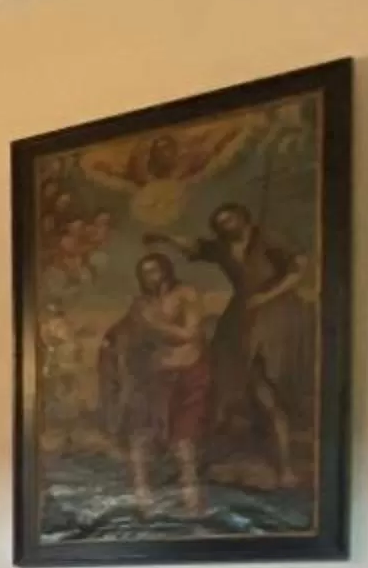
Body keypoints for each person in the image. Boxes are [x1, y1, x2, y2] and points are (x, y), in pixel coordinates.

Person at [149, 201, 309, 491]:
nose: (226, 225)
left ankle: (285, 467)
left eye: (230, 219)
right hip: (242, 313)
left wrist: (268, 295)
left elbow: (299, 268)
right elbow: (194, 247)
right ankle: (200, 459)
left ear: (243, 218)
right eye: (220, 222)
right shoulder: (222, 248)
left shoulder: (268, 239)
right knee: (224, 376)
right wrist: (164, 238)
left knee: (268, 385)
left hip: (276, 312)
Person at [101, 253, 212, 518]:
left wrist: (154, 324)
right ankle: (143, 499)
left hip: (189, 374)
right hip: (153, 378)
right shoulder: (141, 303)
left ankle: (192, 501)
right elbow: (126, 327)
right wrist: (111, 339)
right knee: (140, 435)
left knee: (183, 440)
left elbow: (190, 333)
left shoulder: (186, 293)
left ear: (166, 269)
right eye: (144, 272)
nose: (150, 277)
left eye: (154, 270)